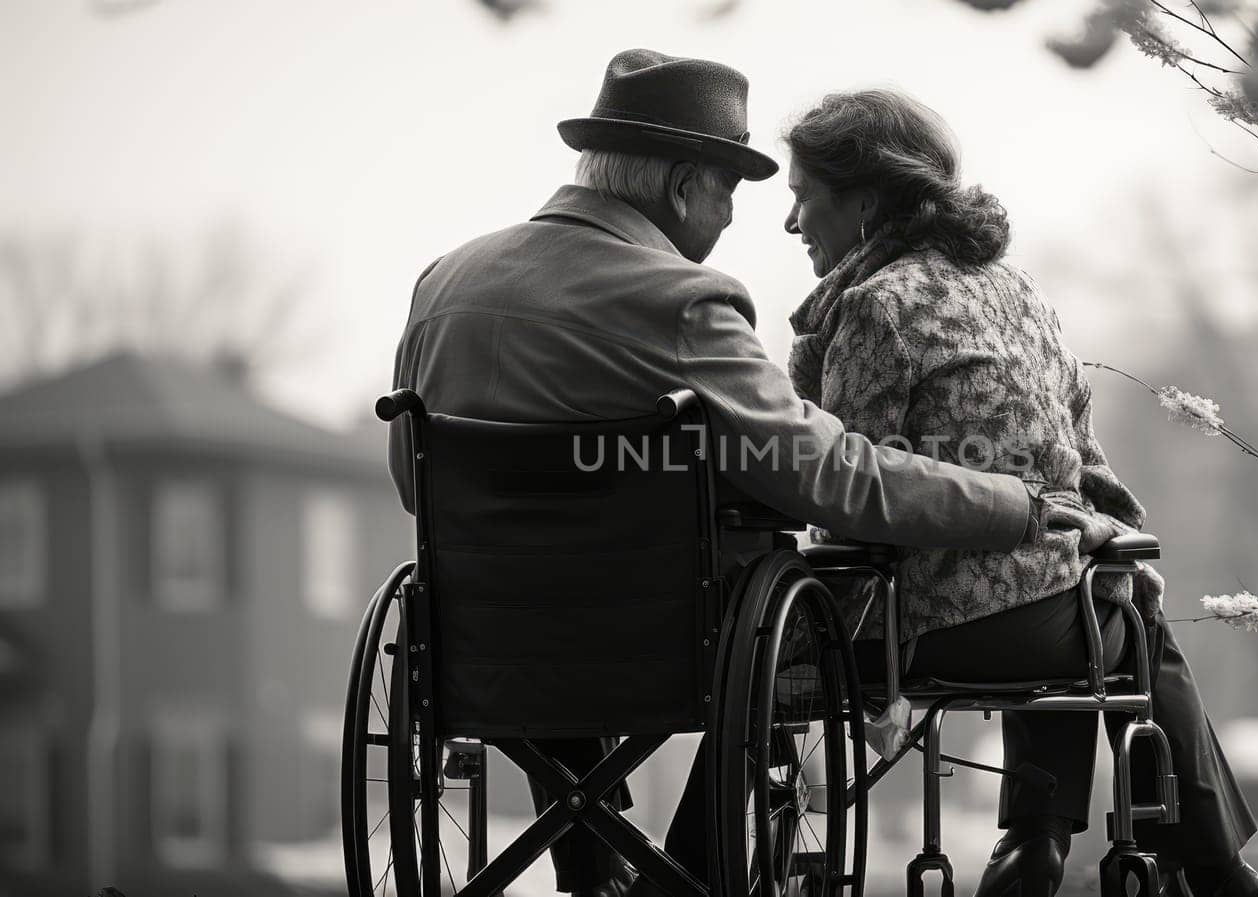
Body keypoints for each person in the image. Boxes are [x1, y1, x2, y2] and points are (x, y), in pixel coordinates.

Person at [386, 51, 1086, 897]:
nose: (736, 218)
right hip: (659, 643)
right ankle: (679, 875)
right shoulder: (680, 300)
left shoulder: (442, 284)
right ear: (684, 185)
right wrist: (1011, 504)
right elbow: (828, 475)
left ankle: (592, 860)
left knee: (546, 593)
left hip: (479, 642)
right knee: (757, 598)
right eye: (729, 191)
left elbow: (411, 478)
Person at [779, 88, 1258, 897]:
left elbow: (850, 495)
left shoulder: (876, 308)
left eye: (802, 198)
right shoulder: (1018, 292)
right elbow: (1086, 462)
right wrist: (1116, 543)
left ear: (863, 200)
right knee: (1121, 606)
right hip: (1057, 627)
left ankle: (1038, 838)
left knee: (1086, 594)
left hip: (926, 626)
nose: (792, 224)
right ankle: (1170, 857)